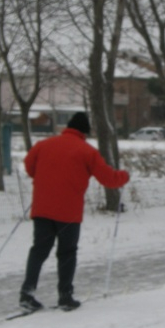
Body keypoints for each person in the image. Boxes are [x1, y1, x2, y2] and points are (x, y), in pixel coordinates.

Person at [19, 112, 130, 313]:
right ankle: (65, 296)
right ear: (84, 132)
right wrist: (124, 176)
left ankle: (27, 293)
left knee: (39, 250)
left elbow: (29, 166)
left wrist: (45, 177)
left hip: (42, 207)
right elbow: (108, 179)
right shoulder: (87, 151)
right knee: (67, 253)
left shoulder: (44, 145)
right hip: (68, 212)